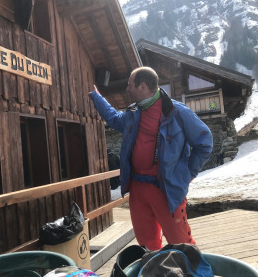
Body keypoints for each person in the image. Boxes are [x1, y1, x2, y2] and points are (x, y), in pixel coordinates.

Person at [89, 67, 213, 250]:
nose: (127, 89)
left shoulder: (176, 111)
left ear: (143, 86)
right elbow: (114, 119)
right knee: (147, 246)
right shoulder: (133, 113)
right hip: (138, 190)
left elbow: (205, 143)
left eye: (130, 85)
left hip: (166, 189)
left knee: (181, 244)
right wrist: (96, 97)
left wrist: (186, 174)